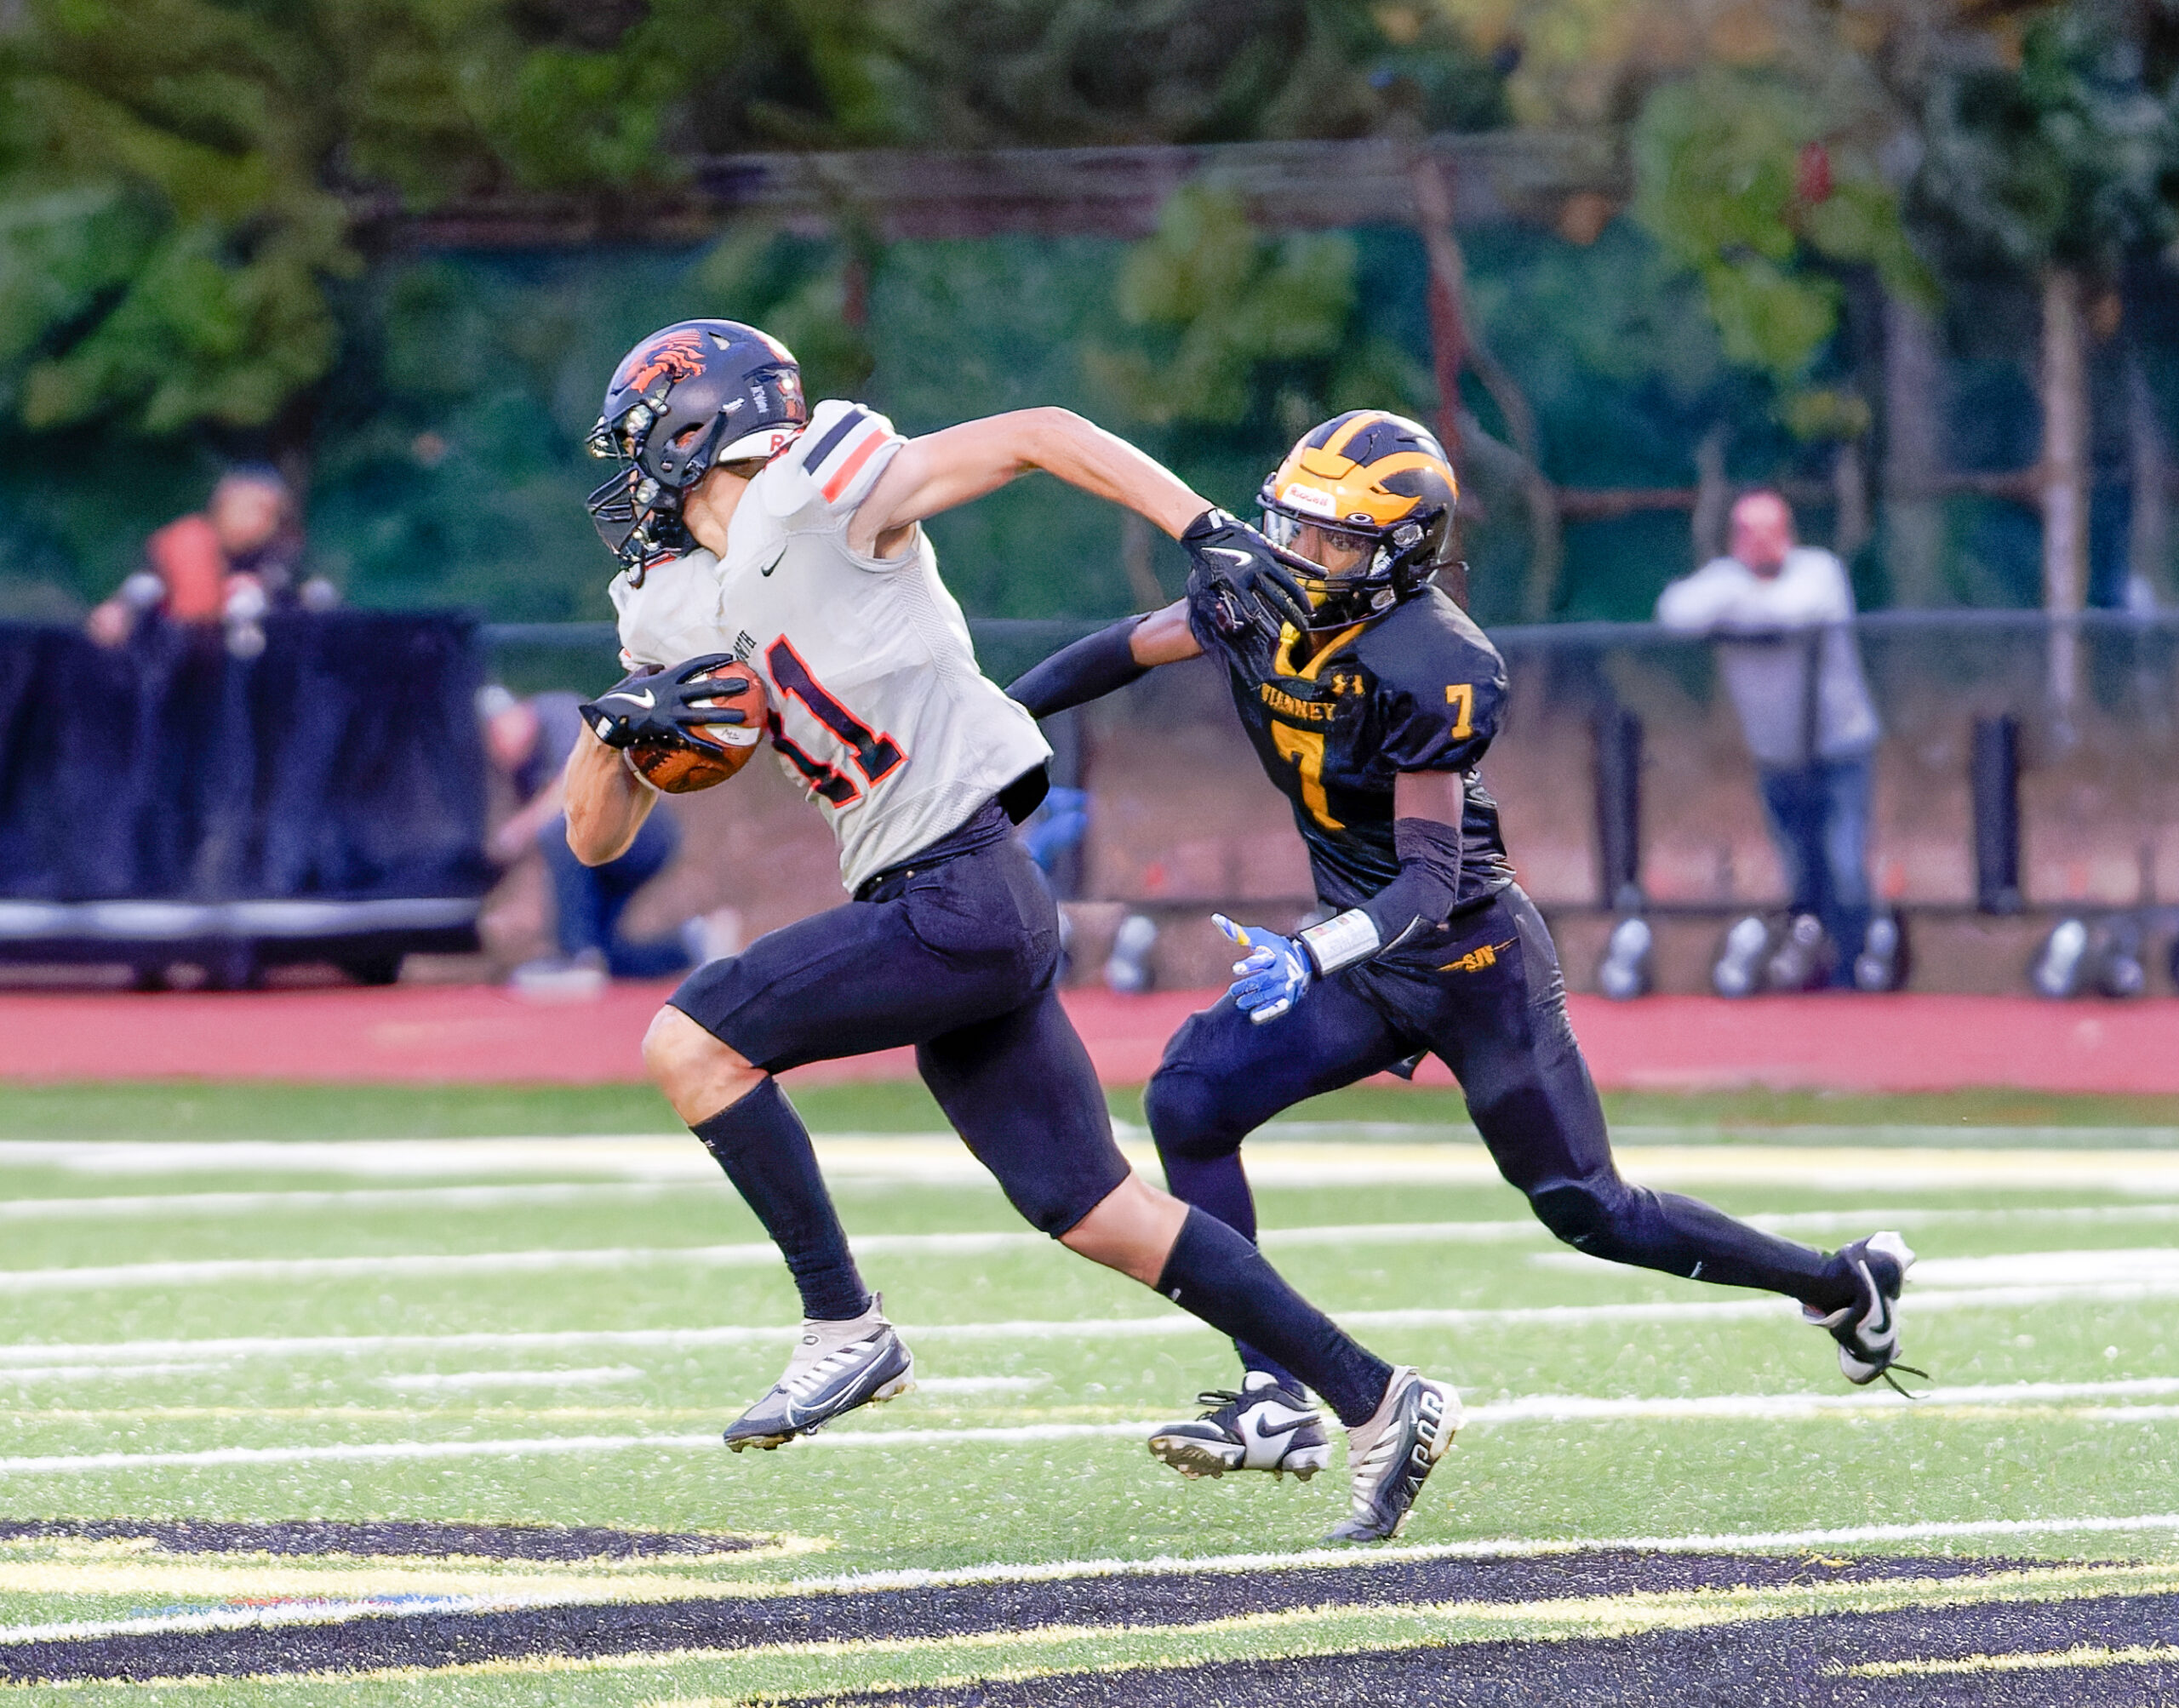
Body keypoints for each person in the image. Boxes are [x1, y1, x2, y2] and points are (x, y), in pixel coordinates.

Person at [562, 320, 1458, 1544]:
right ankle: (1380, 1398)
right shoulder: (666, 598)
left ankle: (845, 1323)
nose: (630, 478)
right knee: (1101, 1210)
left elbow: (1044, 434)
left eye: (639, 445)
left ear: (693, 427)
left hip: (960, 889)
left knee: (692, 1043)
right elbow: (593, 837)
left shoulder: (819, 494)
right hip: (941, 900)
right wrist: (619, 726)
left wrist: (1203, 526)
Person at [1009, 413, 1919, 1483]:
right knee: (1191, 1102)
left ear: (1397, 552)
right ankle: (1273, 1394)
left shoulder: (1433, 660)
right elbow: (1124, 648)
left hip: (1469, 956)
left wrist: (1311, 954)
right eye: (1292, 528)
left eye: (1332, 540)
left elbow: (1430, 883)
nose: (1298, 556)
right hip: (1363, 954)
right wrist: (998, 720)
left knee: (1587, 1208)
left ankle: (1836, 1281)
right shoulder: (1252, 596)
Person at [1656, 490, 1881, 986]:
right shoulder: (1727, 579)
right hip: (1776, 755)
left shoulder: (1819, 569)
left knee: (1845, 864)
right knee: (1800, 870)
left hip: (1839, 749)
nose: (1757, 542)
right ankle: (1813, 968)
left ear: (1787, 532)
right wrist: (1736, 593)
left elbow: (1796, 611)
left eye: (1767, 530)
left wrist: (1731, 605)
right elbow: (1675, 612)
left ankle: (1858, 970)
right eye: (1746, 531)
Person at [480, 684, 706, 991]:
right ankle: (691, 945)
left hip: (641, 830)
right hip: (602, 851)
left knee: (560, 831)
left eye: (496, 732)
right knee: (609, 954)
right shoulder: (521, 765)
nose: (496, 747)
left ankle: (578, 959)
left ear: (517, 713)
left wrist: (517, 832)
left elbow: (571, 791)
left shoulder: (559, 714)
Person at [86, 466, 330, 648]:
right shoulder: (187, 542)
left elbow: (304, 606)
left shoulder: (278, 558)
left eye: (271, 513)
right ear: (222, 505)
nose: (260, 522)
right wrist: (119, 612)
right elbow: (177, 606)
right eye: (251, 508)